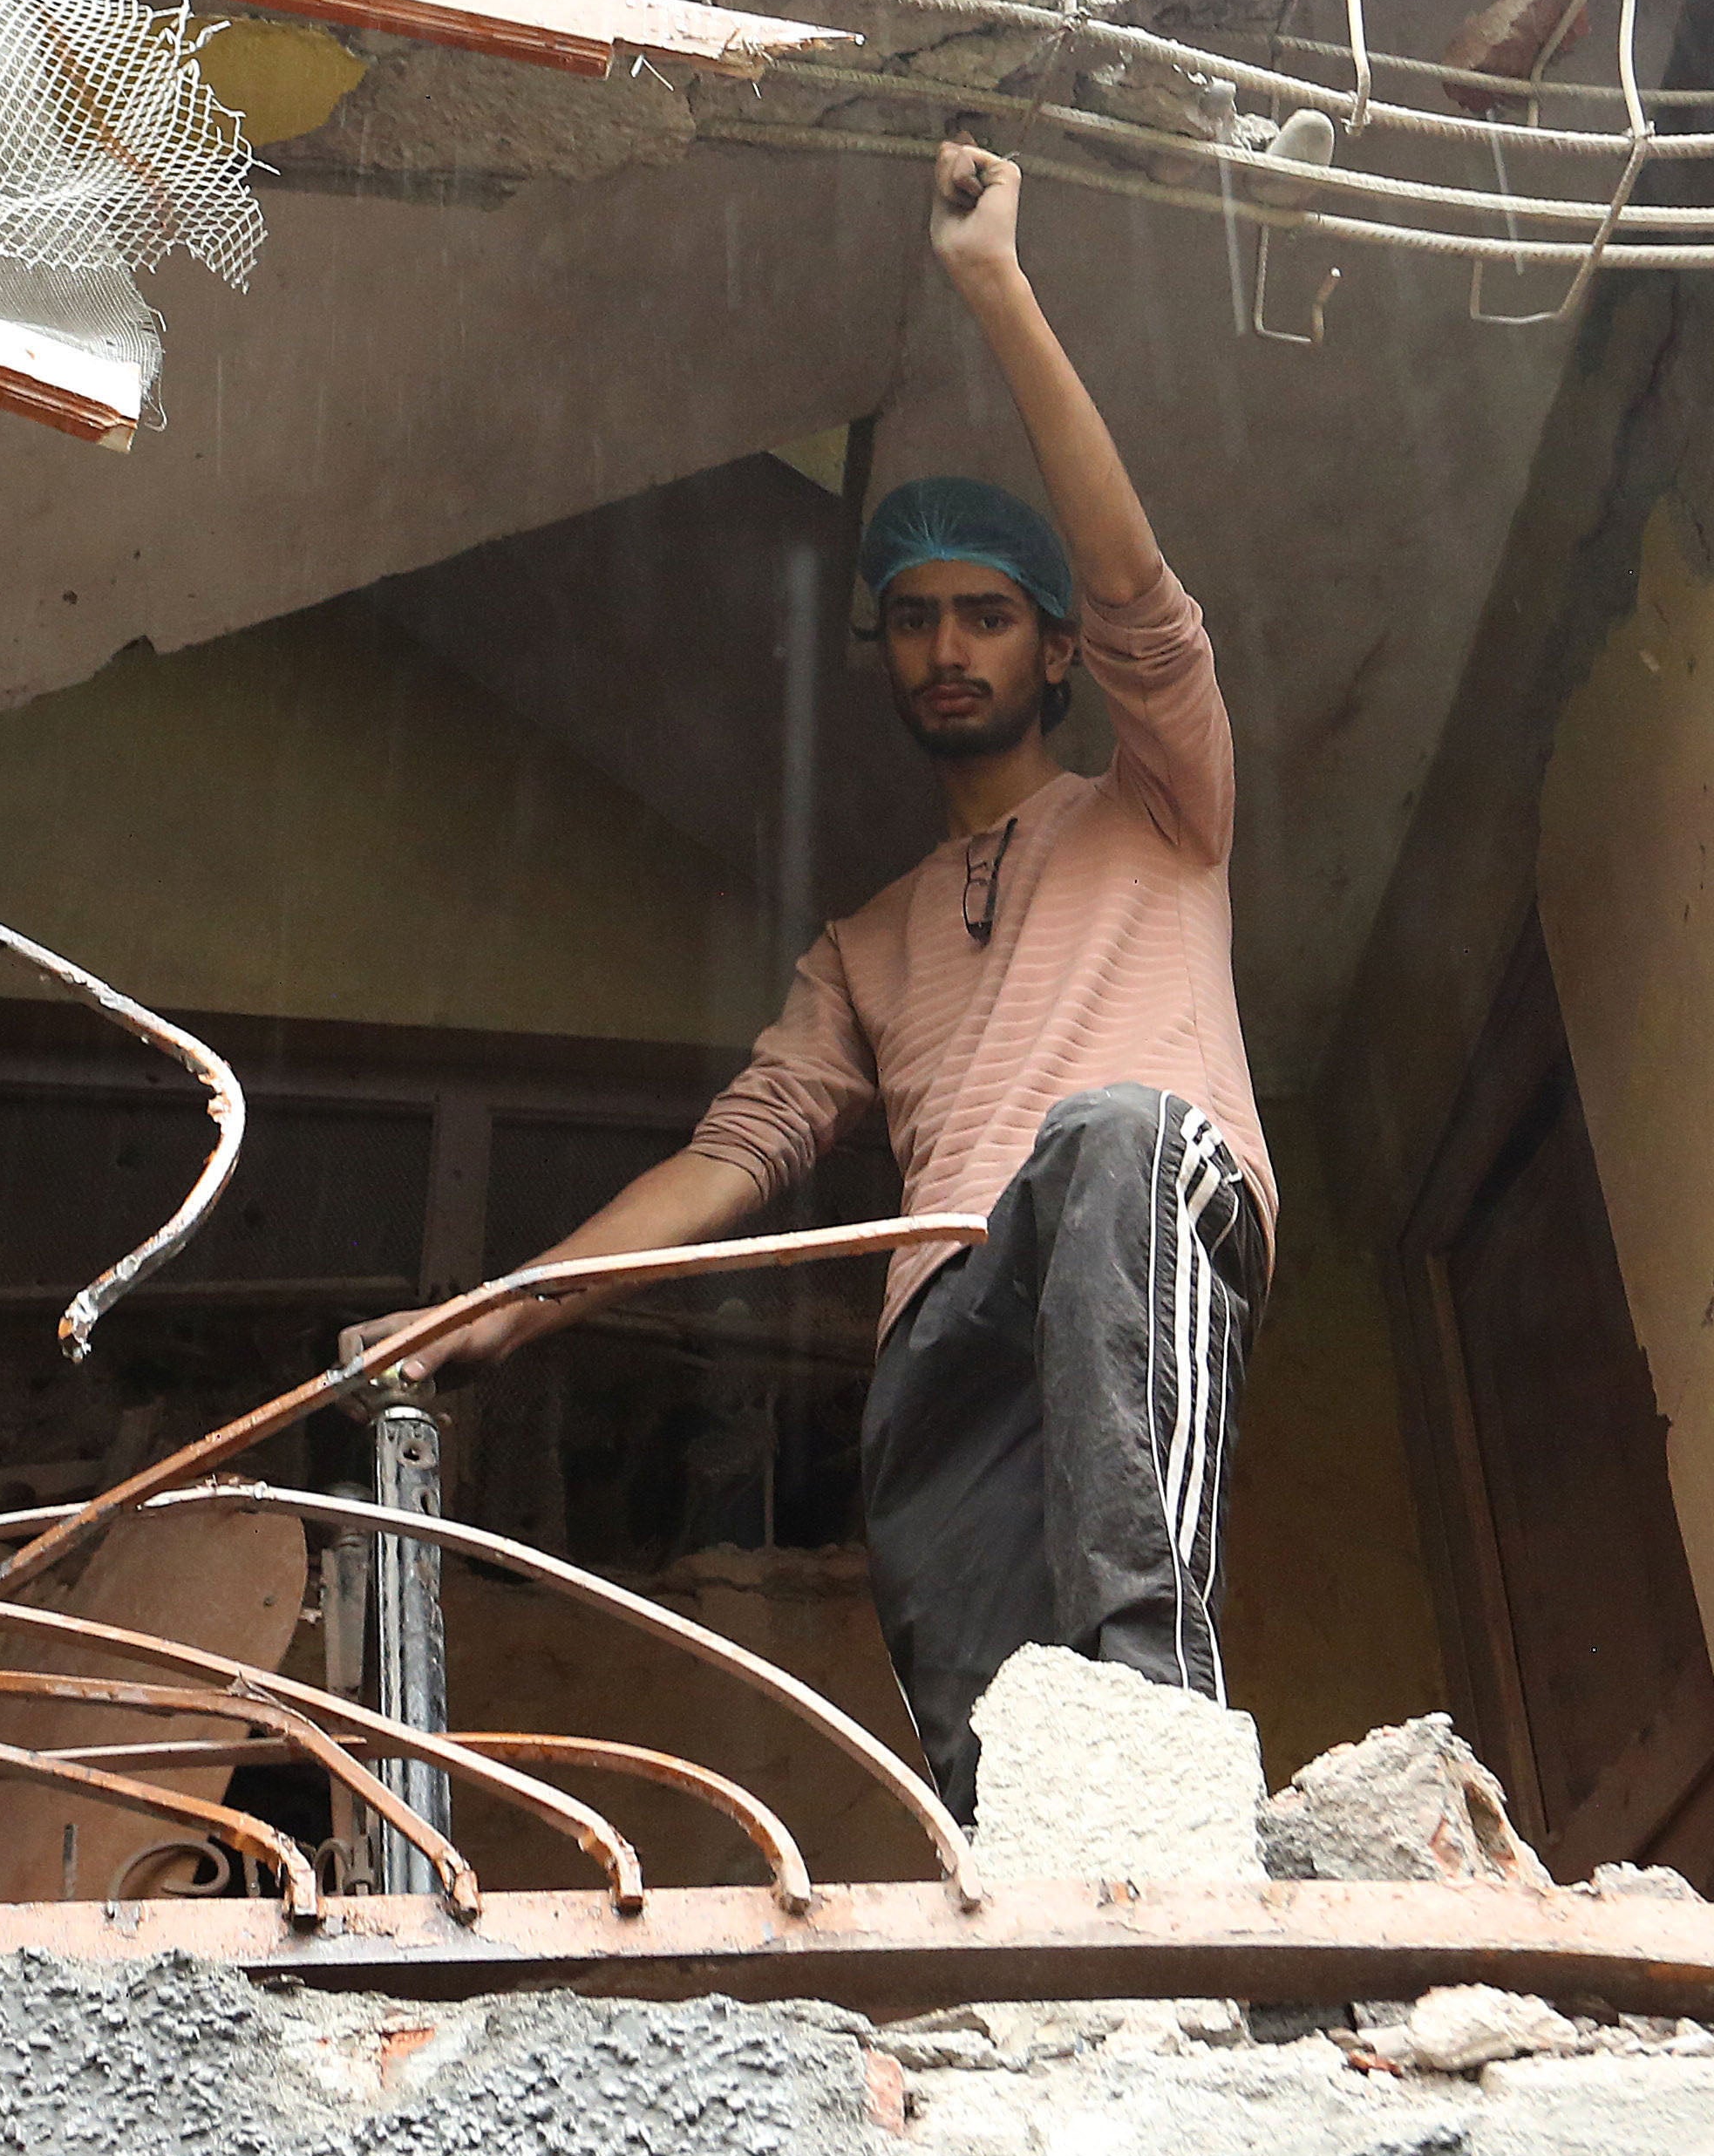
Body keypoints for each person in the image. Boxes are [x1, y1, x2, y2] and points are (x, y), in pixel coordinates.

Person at [347, 138, 1271, 1817]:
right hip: (945, 1331)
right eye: (912, 622)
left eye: (986, 616)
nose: (944, 649)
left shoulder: (1161, 799)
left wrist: (995, 288)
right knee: (998, 1791)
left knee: (1114, 1139)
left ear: (1052, 649)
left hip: (1128, 1221)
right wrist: (503, 1309)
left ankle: (1170, 1758)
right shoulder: (864, 942)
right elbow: (738, 1150)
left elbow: (1144, 595)